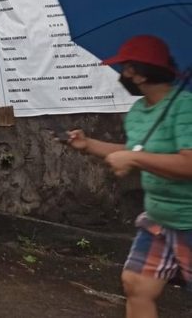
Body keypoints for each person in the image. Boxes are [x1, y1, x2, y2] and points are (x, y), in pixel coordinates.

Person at [66, 35, 192, 318]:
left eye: (126, 67)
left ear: (140, 72)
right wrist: (90, 145)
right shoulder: (138, 112)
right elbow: (134, 150)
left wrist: (134, 158)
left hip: (189, 219)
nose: (122, 74)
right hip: (159, 219)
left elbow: (188, 163)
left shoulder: (185, 106)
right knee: (136, 284)